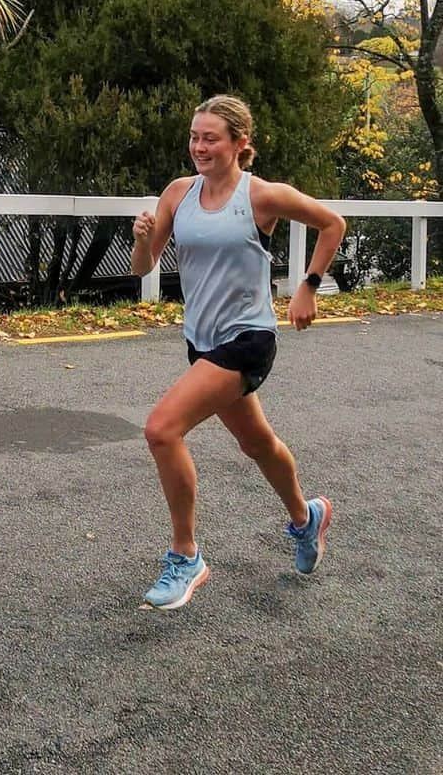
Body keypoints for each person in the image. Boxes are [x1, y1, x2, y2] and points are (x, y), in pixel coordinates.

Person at [130, 95, 345, 611]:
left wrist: (308, 286)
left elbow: (331, 223)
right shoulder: (178, 194)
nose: (199, 147)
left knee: (161, 429)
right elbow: (143, 267)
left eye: (211, 138)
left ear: (239, 144)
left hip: (249, 339)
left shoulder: (262, 196)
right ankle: (305, 516)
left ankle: (186, 555)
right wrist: (140, 239)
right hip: (201, 341)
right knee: (258, 443)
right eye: (194, 137)